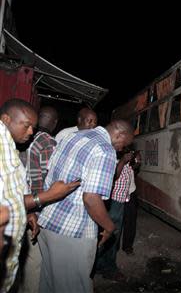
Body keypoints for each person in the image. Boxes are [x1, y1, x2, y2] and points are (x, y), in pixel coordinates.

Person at [37, 119, 134, 293]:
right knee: (74, 287)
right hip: (72, 231)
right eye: (123, 145)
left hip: (47, 222)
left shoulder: (73, 136)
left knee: (50, 282)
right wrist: (109, 227)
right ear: (119, 134)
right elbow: (90, 198)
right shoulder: (105, 150)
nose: (121, 150)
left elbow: (49, 172)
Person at [0, 99, 79, 293]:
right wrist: (47, 196)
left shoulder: (11, 148)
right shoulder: (45, 143)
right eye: (26, 126)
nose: (30, 132)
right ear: (6, 119)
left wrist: (26, 214)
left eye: (32, 127)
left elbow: (11, 192)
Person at [17, 106, 59, 293]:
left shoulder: (21, 140)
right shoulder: (49, 143)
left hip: (23, 206)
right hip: (39, 208)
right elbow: (51, 179)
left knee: (26, 257)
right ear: (55, 123)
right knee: (37, 261)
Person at [95, 149, 137, 280]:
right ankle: (108, 268)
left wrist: (133, 163)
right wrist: (123, 160)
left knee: (111, 236)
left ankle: (101, 265)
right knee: (110, 235)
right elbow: (114, 177)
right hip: (113, 201)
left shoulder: (124, 159)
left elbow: (129, 174)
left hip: (121, 200)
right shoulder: (112, 157)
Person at [121, 151, 141, 256]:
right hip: (117, 194)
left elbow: (133, 169)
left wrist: (137, 161)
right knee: (116, 222)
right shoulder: (114, 154)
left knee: (131, 222)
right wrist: (123, 160)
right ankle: (110, 249)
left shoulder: (130, 156)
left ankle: (128, 246)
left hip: (131, 192)